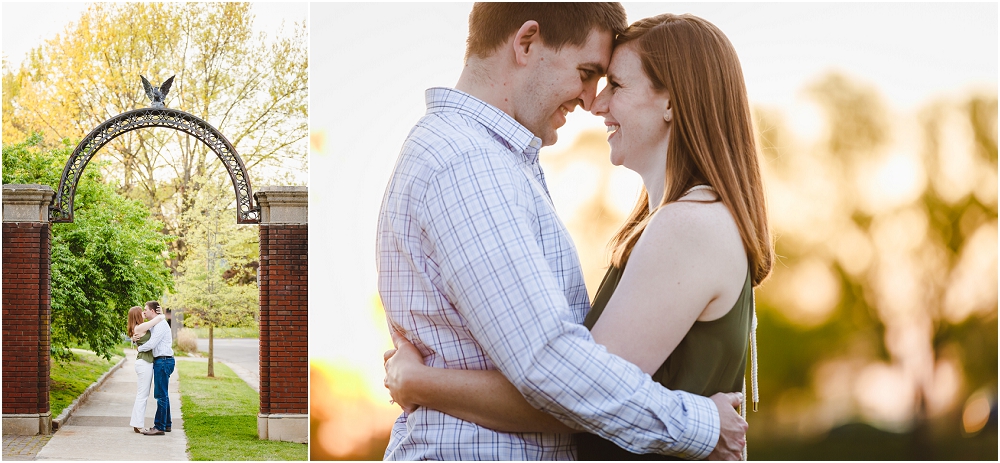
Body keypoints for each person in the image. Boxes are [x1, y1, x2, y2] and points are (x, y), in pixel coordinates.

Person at [383, 11, 772, 460]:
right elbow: (568, 383)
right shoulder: (470, 163)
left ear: (672, 102)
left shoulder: (687, 226)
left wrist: (418, 382)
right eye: (589, 75)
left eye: (613, 84)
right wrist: (701, 424)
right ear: (526, 43)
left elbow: (566, 386)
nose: (595, 103)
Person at [134, 301, 174, 436]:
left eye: (146, 309)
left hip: (163, 360)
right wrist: (135, 339)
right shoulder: (155, 325)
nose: (144, 312)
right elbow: (144, 335)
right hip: (162, 361)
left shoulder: (161, 325)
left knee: (160, 395)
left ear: (153, 311)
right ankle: (167, 424)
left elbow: (151, 343)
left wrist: (139, 348)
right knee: (164, 394)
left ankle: (160, 427)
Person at [127, 305, 165, 433]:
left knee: (142, 394)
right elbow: (158, 320)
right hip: (144, 363)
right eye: (141, 311)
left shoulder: (138, 327)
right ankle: (138, 425)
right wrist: (162, 314)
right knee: (142, 395)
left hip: (144, 362)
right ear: (137, 315)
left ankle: (136, 423)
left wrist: (133, 340)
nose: (144, 312)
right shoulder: (140, 327)